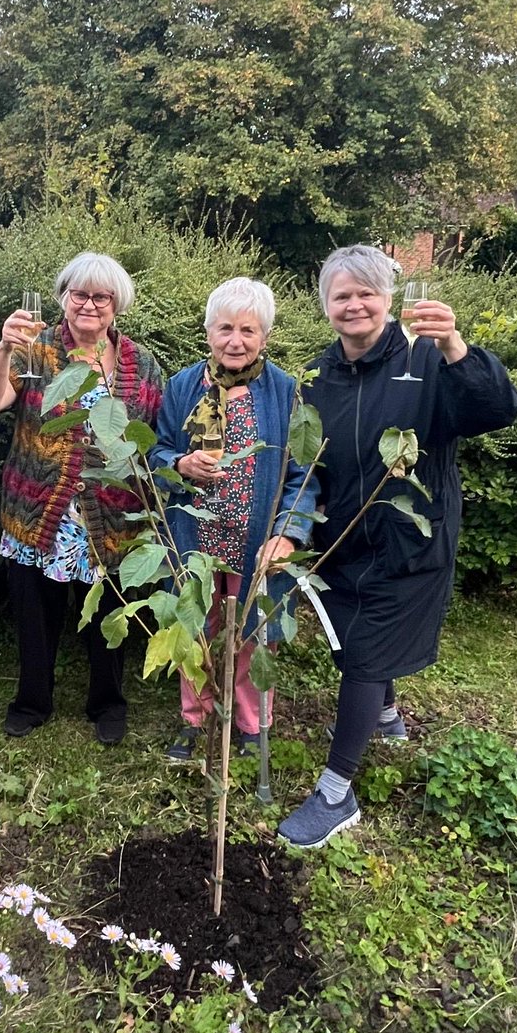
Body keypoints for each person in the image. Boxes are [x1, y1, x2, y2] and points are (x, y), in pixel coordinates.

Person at [277, 244, 517, 848]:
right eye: (342, 295)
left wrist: (457, 348)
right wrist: (296, 524)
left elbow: (501, 409)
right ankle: (386, 713)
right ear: (326, 307)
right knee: (356, 639)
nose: (355, 304)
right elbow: (308, 463)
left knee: (363, 655)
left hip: (412, 537)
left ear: (388, 299)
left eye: (366, 292)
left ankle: (336, 793)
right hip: (345, 541)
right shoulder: (318, 376)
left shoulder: (427, 358)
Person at [0, 252, 162, 745]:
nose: (90, 305)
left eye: (102, 296)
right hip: (41, 512)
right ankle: (32, 701)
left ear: (117, 303)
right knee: (36, 615)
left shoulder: (141, 364)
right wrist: (2, 348)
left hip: (111, 517)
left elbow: (154, 434)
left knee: (108, 615)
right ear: (63, 297)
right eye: (80, 294)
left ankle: (108, 703)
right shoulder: (35, 350)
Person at [150, 277, 315, 760]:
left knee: (251, 633)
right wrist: (178, 465)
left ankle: (249, 723)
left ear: (265, 336)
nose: (235, 340)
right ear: (208, 332)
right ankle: (196, 717)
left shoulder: (284, 391)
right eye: (225, 328)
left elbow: (303, 472)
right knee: (194, 625)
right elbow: (158, 448)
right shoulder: (183, 386)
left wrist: (289, 533)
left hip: (255, 537)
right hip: (195, 536)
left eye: (248, 329)